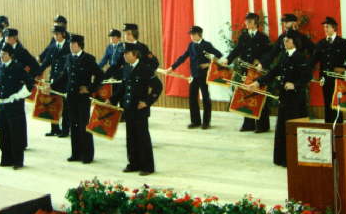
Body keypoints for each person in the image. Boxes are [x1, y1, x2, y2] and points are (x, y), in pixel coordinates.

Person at [248, 33, 311, 166]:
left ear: (293, 42)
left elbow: (307, 76)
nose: (284, 42)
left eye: (287, 40)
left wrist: (295, 85)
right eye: (283, 40)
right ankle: (281, 158)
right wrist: (258, 83)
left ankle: (293, 159)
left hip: (296, 98)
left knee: (292, 127)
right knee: (282, 127)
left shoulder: (300, 57)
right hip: (284, 96)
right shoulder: (283, 56)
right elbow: (273, 72)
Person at [110, 43, 163, 176]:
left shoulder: (145, 69)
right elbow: (123, 87)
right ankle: (133, 163)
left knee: (142, 138)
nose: (124, 56)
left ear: (135, 54)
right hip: (128, 108)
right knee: (131, 137)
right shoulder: (126, 68)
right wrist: (111, 100)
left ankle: (147, 167)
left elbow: (158, 87)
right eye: (123, 53)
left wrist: (147, 102)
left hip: (140, 109)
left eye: (127, 53)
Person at [51, 34, 103, 164]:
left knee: (83, 125)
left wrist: (90, 88)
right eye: (70, 44)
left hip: (83, 97)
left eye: (72, 44)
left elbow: (100, 75)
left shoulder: (88, 59)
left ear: (79, 45)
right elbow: (64, 76)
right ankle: (76, 153)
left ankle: (87, 155)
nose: (70, 46)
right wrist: (51, 86)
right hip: (71, 97)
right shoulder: (68, 58)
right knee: (73, 125)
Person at [0, 44, 34, 169]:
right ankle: (6, 159)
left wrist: (18, 96)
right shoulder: (0, 67)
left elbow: (30, 84)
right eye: (1, 55)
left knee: (15, 134)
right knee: (4, 132)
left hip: (15, 105)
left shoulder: (18, 67)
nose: (2, 57)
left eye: (4, 55)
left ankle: (18, 161)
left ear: (10, 55)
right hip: (2, 105)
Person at [223, 12, 270, 132]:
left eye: (249, 21)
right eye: (246, 21)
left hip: (258, 72)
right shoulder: (243, 36)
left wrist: (260, 62)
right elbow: (237, 50)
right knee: (246, 95)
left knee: (259, 96)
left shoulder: (263, 37)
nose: (247, 23)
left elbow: (268, 53)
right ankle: (248, 124)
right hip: (245, 71)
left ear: (256, 23)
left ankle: (262, 125)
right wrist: (227, 59)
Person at [168, 26, 222, 129]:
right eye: (191, 34)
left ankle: (206, 122)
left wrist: (208, 64)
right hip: (193, 75)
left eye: (193, 34)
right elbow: (183, 57)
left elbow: (218, 55)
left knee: (205, 98)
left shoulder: (207, 45)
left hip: (204, 76)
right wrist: (172, 67)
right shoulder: (191, 45)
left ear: (199, 34)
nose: (191, 36)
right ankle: (195, 121)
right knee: (192, 98)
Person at [310, 17, 346, 123]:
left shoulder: (342, 42)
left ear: (334, 28)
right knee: (327, 104)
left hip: (338, 80)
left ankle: (338, 129)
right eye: (324, 27)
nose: (325, 29)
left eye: (327, 27)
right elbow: (313, 61)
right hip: (325, 79)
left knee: (337, 104)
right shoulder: (321, 43)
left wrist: (345, 68)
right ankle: (329, 128)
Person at [38, 25, 71, 137]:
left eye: (57, 34)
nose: (55, 36)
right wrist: (37, 72)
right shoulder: (53, 47)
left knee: (66, 106)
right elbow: (46, 62)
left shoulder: (69, 46)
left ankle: (65, 130)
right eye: (54, 34)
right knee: (53, 104)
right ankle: (54, 129)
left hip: (64, 80)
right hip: (53, 79)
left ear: (63, 34)